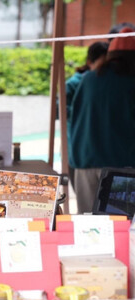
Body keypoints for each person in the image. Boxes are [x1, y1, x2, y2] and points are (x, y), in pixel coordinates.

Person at [68, 27, 135, 214]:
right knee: (120, 226)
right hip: (122, 164)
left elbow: (76, 117)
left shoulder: (89, 78)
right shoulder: (130, 82)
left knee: (88, 225)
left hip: (85, 161)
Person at [64, 41, 108, 190]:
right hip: (79, 148)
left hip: (87, 150)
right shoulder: (76, 83)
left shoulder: (99, 81)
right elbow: (62, 111)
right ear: (90, 62)